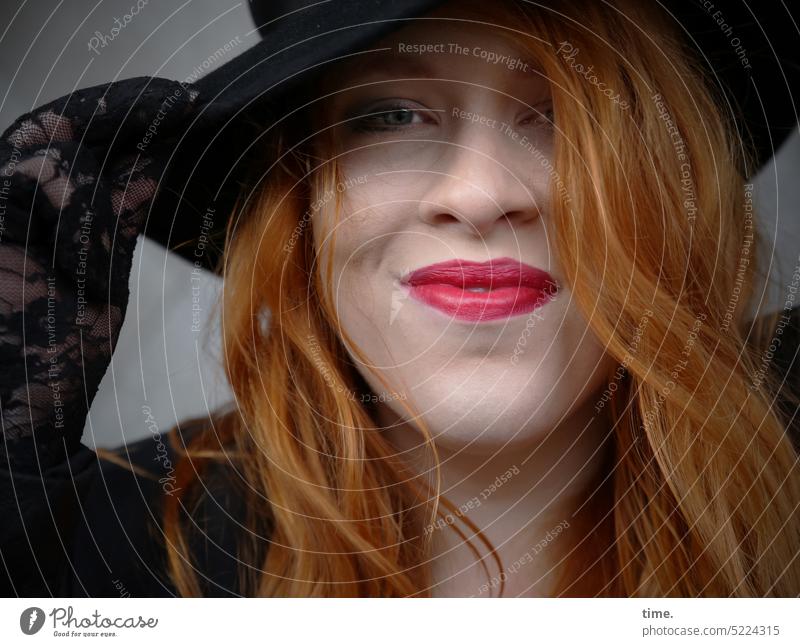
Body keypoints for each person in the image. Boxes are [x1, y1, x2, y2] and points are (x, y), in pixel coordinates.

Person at [1, 0, 799, 597]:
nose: (479, 194)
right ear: (300, 205)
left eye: (569, 116)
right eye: (390, 116)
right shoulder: (101, 552)